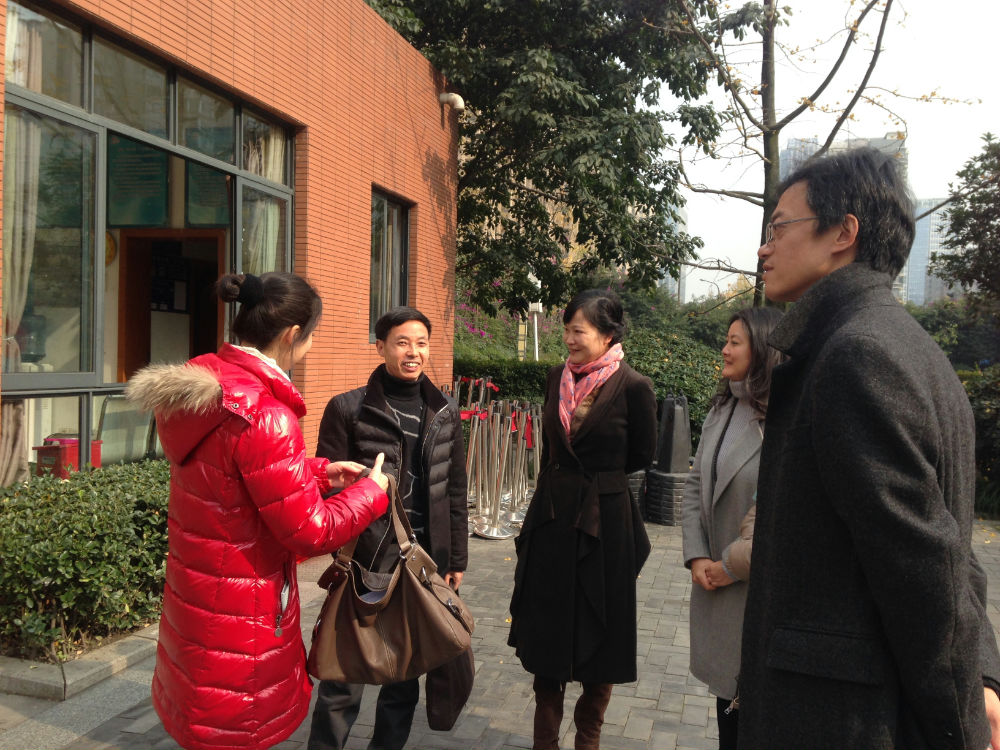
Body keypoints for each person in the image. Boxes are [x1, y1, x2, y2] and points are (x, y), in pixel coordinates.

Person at [738, 147, 1000, 748]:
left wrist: (963, 722)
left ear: (843, 233)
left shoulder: (855, 356)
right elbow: (954, 546)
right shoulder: (913, 348)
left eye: (778, 228)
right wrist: (984, 677)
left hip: (842, 720)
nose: (763, 249)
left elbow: (923, 570)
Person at [125, 272, 390, 750]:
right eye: (311, 337)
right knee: (234, 733)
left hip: (201, 606)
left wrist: (317, 473)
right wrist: (371, 492)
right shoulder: (266, 414)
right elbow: (311, 531)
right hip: (243, 618)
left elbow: (229, 480)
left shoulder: (207, 389)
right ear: (293, 334)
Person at [306, 306, 468, 750]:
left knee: (404, 677)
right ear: (380, 347)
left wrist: (455, 558)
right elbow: (327, 490)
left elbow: (455, 489)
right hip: (366, 561)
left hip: (422, 563)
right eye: (402, 343)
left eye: (421, 343)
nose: (413, 352)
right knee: (344, 677)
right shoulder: (348, 408)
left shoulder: (444, 410)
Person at [508, 289, 657, 750]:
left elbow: (642, 454)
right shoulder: (556, 377)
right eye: (567, 330)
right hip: (552, 518)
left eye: (579, 331)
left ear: (607, 335)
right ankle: (545, 740)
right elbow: (551, 446)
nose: (569, 339)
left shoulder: (634, 386)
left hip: (606, 521)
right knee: (547, 629)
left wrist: (598, 480)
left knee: (602, 628)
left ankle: (588, 736)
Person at [681, 307, 783, 749]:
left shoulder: (782, 420)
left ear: (762, 349)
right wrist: (697, 555)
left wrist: (729, 566)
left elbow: (779, 516)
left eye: (734, 342)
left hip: (756, 590)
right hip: (715, 584)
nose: (724, 349)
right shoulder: (722, 408)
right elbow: (694, 484)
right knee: (729, 713)